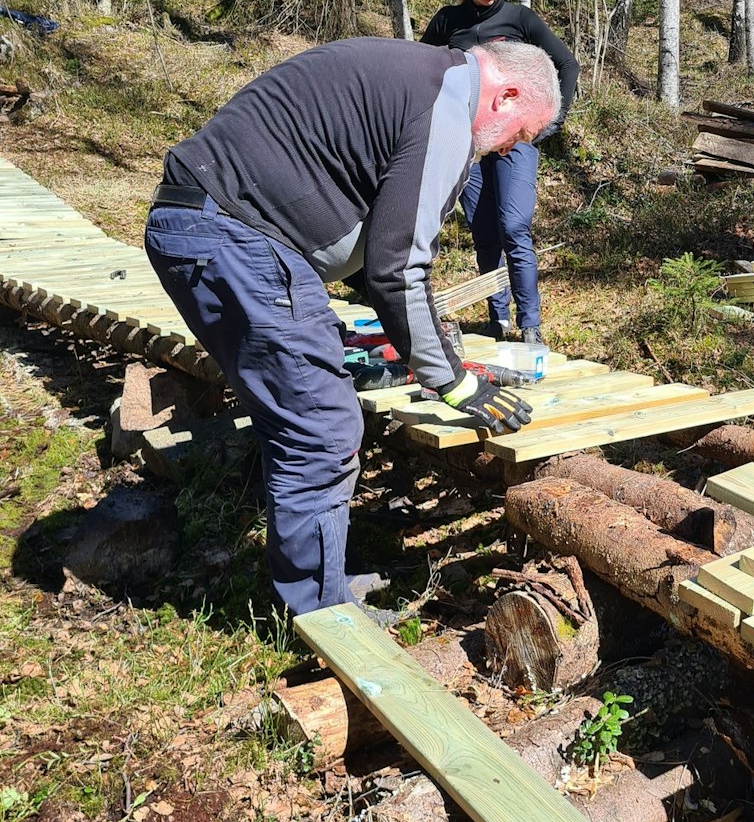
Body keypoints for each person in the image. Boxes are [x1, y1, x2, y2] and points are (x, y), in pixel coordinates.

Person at [144, 37, 561, 620]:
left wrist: (415, 333)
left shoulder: (418, 77)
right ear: (508, 95)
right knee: (322, 425)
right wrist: (454, 381)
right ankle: (325, 619)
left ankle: (319, 579)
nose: (511, 148)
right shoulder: (446, 104)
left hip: (205, 224)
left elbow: (371, 240)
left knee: (304, 409)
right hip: (234, 235)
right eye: (522, 133)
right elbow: (398, 268)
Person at [421, 0, 580, 346]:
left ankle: (530, 325)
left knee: (514, 226)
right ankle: (498, 321)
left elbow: (567, 64)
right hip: (469, 145)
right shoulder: (447, 21)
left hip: (515, 141)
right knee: (484, 232)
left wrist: (548, 123)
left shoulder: (519, 19)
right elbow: (420, 72)